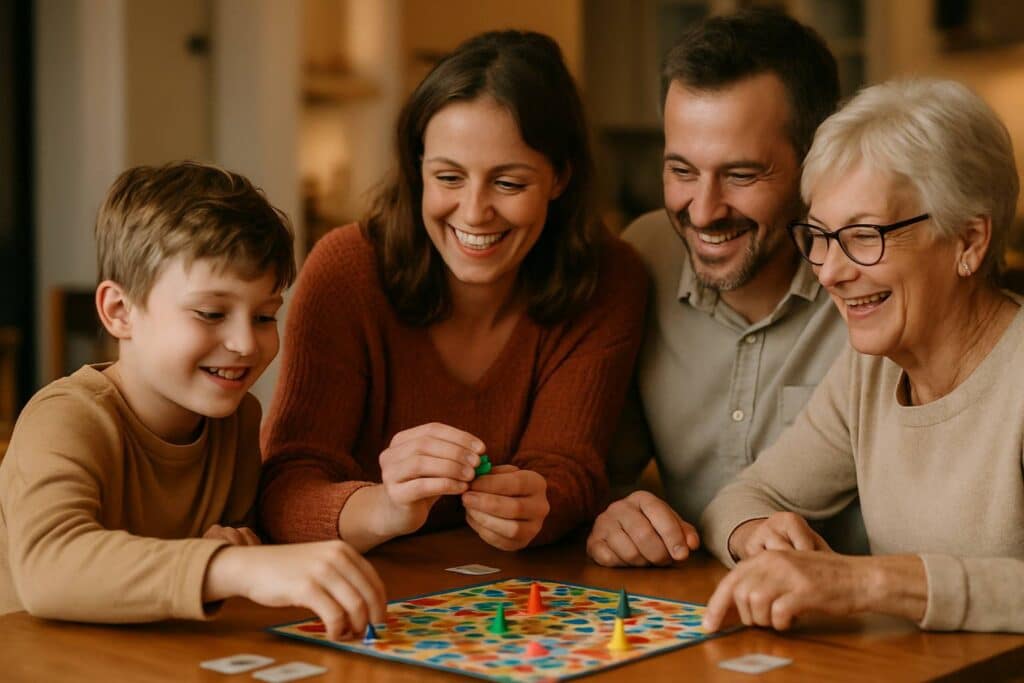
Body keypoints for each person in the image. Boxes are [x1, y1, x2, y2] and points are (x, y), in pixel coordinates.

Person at [259, 31, 647, 552]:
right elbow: (285, 487)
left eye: (508, 184)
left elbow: (569, 468)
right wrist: (385, 507)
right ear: (417, 167)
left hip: (516, 597)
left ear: (560, 178)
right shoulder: (346, 271)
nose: (472, 212)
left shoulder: (611, 278)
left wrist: (539, 504)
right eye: (448, 177)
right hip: (361, 591)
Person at [0, 162, 385, 641]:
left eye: (266, 316)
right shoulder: (65, 417)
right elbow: (49, 570)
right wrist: (234, 565)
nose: (245, 343)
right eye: (211, 313)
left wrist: (234, 544)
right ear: (120, 312)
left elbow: (228, 552)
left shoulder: (238, 419)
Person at [700, 78, 1024, 634]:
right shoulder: (870, 372)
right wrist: (758, 534)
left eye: (865, 235)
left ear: (969, 241)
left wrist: (863, 582)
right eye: (821, 236)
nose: (829, 270)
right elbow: (743, 498)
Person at [588, 8, 864, 568]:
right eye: (681, 171)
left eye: (740, 175)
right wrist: (614, 512)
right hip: (691, 611)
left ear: (816, 163)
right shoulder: (638, 261)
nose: (705, 211)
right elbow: (594, 468)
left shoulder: (873, 284)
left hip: (861, 625)